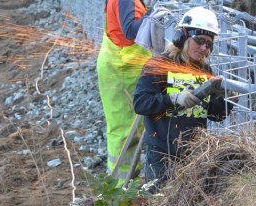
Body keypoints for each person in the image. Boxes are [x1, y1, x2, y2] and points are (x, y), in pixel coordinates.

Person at [133, 7, 234, 193]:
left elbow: (216, 116)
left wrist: (224, 100)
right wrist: (173, 98)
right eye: (200, 41)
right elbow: (140, 103)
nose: (204, 48)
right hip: (162, 155)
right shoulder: (158, 66)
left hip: (195, 154)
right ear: (182, 37)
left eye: (209, 44)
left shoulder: (205, 71)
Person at [96, 0, 153, 184]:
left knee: (129, 129)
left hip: (122, 66)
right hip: (121, 69)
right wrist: (153, 13)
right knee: (123, 131)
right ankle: (121, 187)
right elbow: (130, 31)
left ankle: (127, 182)